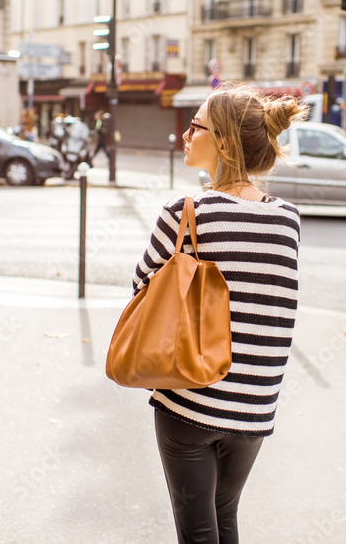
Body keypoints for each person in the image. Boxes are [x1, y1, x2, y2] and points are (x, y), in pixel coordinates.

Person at [131, 83, 308, 544]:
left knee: (196, 532)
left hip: (190, 397)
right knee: (223, 518)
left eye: (196, 126)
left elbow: (142, 293)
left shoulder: (185, 211)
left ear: (225, 142)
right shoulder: (288, 218)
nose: (186, 135)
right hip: (255, 404)